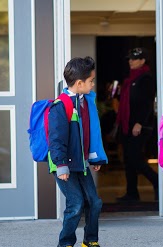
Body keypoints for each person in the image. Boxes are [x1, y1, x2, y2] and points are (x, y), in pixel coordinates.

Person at [48, 56, 108, 247]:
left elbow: (90, 132)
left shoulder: (86, 102)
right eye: (91, 81)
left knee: (94, 202)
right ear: (80, 82)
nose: (93, 84)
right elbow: (56, 139)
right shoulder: (61, 105)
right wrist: (61, 165)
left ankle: (90, 240)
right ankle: (65, 243)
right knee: (75, 204)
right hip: (63, 163)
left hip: (80, 162)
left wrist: (95, 156)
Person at [116, 47, 158, 202]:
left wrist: (139, 123)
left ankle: (157, 182)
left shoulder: (146, 78)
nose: (130, 61)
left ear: (142, 61)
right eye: (129, 59)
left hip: (139, 126)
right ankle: (132, 193)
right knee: (128, 159)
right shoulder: (130, 79)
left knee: (135, 158)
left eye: (134, 59)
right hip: (128, 124)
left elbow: (147, 103)